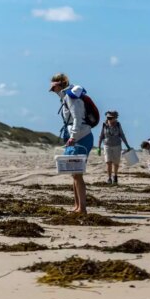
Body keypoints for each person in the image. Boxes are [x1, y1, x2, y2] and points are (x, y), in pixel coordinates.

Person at [50, 73, 94, 213]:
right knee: (73, 173)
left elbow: (77, 118)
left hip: (81, 137)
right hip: (75, 136)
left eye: (54, 87)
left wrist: (73, 136)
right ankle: (77, 206)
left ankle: (82, 208)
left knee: (77, 173)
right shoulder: (65, 97)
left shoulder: (71, 96)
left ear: (60, 84)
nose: (53, 90)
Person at [97, 110, 131, 184]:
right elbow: (101, 136)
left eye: (111, 118)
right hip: (107, 145)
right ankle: (109, 178)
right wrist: (98, 147)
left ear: (115, 118)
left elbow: (122, 135)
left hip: (117, 145)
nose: (109, 119)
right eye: (108, 118)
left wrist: (127, 145)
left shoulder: (118, 125)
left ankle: (115, 176)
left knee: (116, 162)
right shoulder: (104, 125)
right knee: (108, 162)